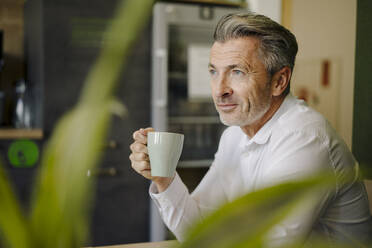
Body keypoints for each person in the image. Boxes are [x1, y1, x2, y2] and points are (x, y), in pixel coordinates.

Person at [129, 13, 372, 246]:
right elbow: (199, 231)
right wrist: (164, 178)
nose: (219, 90)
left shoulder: (305, 138)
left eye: (237, 72)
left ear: (279, 81)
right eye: (214, 72)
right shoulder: (234, 135)